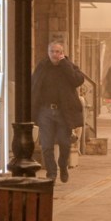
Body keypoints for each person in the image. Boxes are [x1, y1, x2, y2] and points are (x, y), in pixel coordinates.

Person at [31, 42, 85, 182]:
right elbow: (34, 85)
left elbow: (77, 80)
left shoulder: (69, 66)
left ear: (62, 53)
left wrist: (65, 64)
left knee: (64, 143)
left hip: (63, 112)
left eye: (57, 52)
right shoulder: (42, 66)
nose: (54, 54)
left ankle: (63, 166)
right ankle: (51, 173)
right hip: (45, 111)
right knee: (47, 145)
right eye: (52, 51)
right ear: (48, 52)